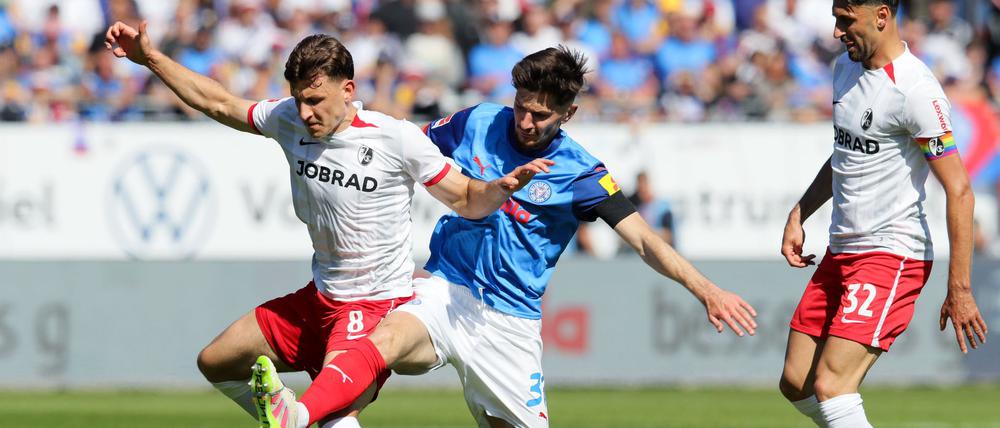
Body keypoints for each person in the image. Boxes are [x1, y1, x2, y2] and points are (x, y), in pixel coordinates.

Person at [254, 46, 758, 428]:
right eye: (520, 106)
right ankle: (297, 416)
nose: (524, 121)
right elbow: (401, 152)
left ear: (568, 114)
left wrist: (707, 290)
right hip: (443, 289)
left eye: (541, 115)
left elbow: (646, 241)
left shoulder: (581, 173)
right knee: (380, 342)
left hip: (509, 322)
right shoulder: (477, 120)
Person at [103, 21, 553, 428]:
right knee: (216, 361)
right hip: (319, 298)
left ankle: (292, 418)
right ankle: (286, 418)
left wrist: (502, 187)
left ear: (348, 89)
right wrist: (151, 59)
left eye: (315, 100)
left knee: (333, 418)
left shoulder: (394, 138)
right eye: (299, 99)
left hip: (375, 306)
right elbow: (219, 102)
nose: (305, 112)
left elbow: (468, 200)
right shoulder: (287, 119)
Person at [777, 1, 989, 427]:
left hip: (891, 254)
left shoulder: (915, 90)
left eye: (845, 20)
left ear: (881, 16)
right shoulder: (844, 69)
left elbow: (960, 191)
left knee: (833, 385)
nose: (837, 32)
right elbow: (844, 155)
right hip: (843, 250)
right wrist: (801, 211)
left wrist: (961, 287)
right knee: (796, 381)